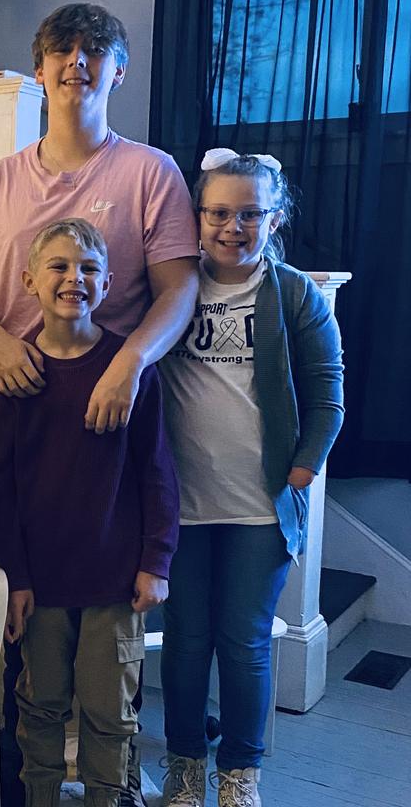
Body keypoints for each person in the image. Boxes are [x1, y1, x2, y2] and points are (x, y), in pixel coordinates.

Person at [0, 2, 199, 806]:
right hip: (16, 410)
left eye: (95, 51)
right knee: (27, 641)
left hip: (107, 416)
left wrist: (128, 362)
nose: (76, 62)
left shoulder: (150, 174)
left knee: (104, 671)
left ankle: (107, 781)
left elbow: (178, 287)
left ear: (117, 70)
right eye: (61, 50)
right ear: (41, 67)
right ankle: (22, 783)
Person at [158, 150, 344, 807]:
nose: (231, 227)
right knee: (185, 643)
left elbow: (327, 394)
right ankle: (184, 764)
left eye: (249, 215)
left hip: (260, 509)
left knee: (243, 644)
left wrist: (301, 470)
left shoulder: (293, 294)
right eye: (217, 213)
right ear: (197, 215)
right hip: (179, 504)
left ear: (274, 218)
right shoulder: (172, 287)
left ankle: (240, 773)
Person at [0, 218, 179, 807]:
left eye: (89, 268)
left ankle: (108, 798)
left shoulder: (130, 369)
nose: (75, 278)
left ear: (108, 283)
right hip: (40, 586)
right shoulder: (14, 375)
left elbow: (157, 471)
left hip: (114, 583)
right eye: (59, 267)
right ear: (29, 281)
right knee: (39, 705)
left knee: (109, 712)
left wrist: (156, 561)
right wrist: (15, 578)